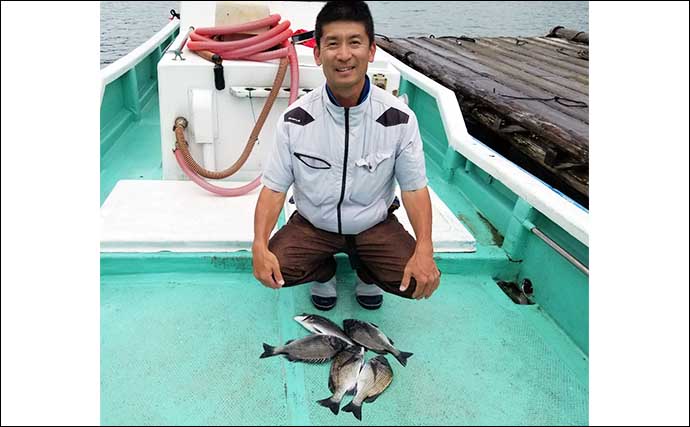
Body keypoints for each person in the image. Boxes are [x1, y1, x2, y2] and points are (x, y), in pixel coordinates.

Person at [252, 0, 440, 310]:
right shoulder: (295, 119)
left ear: (371, 50)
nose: (343, 55)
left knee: (416, 282)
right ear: (317, 53)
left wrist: (425, 249)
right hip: (313, 224)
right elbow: (273, 190)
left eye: (354, 43)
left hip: (374, 224)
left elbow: (414, 190)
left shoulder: (399, 118)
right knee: (277, 268)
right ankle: (324, 270)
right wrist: (258, 244)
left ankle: (368, 271)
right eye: (332, 44)